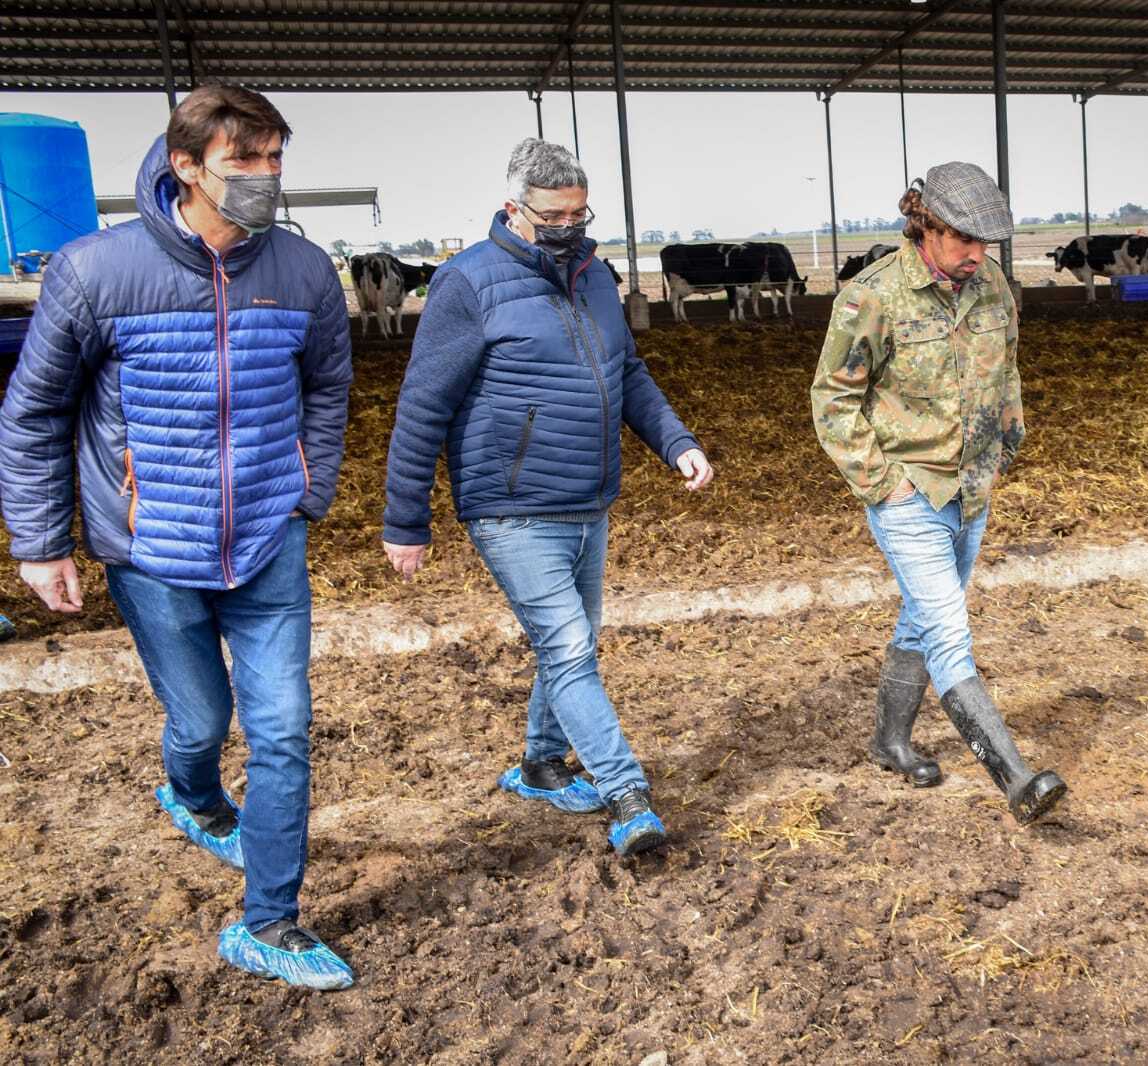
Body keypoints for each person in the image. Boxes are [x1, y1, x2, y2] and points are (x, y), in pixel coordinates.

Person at [0, 85, 355, 987]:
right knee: (201, 718)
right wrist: (42, 544)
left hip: (269, 537)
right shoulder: (94, 271)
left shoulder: (305, 271)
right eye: (247, 161)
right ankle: (195, 794)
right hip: (153, 546)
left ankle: (268, 923)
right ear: (187, 165)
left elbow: (327, 387)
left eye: (277, 159)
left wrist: (309, 489)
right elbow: (35, 412)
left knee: (284, 730)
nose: (268, 178)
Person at [382, 139, 712, 857]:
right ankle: (627, 794)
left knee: (570, 647)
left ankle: (539, 764)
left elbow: (628, 369)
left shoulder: (594, 276)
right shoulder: (467, 283)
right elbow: (421, 406)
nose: (571, 225)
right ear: (515, 210)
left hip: (588, 497)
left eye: (580, 211)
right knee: (568, 648)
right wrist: (405, 518)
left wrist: (675, 440)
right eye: (555, 215)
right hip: (510, 503)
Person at [810, 162, 1067, 825]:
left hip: (974, 486)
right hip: (909, 491)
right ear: (925, 225)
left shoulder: (992, 286)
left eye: (989, 243)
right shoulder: (872, 297)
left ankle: (889, 741)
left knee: (922, 618)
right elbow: (833, 402)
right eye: (964, 240)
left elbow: (1007, 366)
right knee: (950, 633)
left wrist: (1007, 443)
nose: (978, 255)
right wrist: (884, 486)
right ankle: (1015, 778)